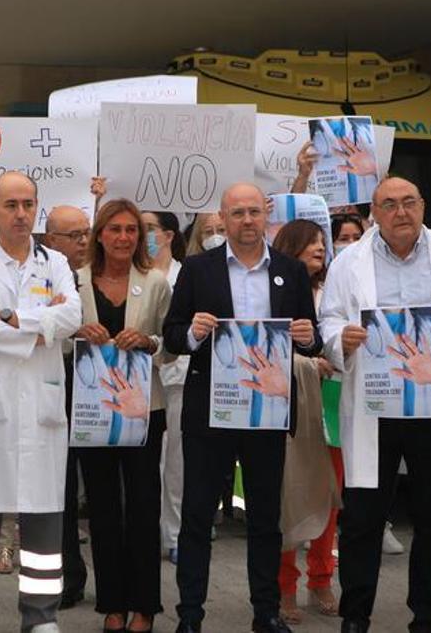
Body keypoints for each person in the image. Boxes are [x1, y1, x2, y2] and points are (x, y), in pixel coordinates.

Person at [319, 177, 431, 633]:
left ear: (422, 206)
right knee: (362, 517)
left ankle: (427, 616)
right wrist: (340, 338)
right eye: (389, 204)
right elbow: (330, 317)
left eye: (409, 202)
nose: (401, 212)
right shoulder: (348, 262)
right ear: (374, 214)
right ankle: (355, 615)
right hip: (374, 404)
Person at [163, 182, 322, 633]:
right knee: (197, 517)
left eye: (255, 212)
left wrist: (309, 340)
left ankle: (265, 612)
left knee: (265, 519)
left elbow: (312, 339)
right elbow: (172, 334)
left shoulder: (290, 271)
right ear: (224, 217)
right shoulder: (198, 269)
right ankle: (190, 615)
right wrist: (192, 332)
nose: (248, 220)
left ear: (265, 217)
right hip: (211, 413)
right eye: (238, 213)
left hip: (267, 413)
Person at [0, 172, 81, 633]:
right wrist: (39, 328)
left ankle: (40, 617)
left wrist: (10, 317)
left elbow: (73, 316)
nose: (21, 213)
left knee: (44, 515)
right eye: (11, 204)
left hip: (40, 406)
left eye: (28, 204)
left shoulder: (55, 262)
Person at [74, 199, 173, 632]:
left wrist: (149, 341)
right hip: (93, 410)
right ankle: (112, 604)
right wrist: (77, 331)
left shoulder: (155, 283)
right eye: (114, 229)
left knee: (143, 505)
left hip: (142, 409)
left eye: (131, 230)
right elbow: (57, 336)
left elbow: (172, 343)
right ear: (99, 234)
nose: (123, 237)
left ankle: (145, 606)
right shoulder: (75, 281)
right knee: (102, 507)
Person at [270, 219, 340, 624]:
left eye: (323, 241)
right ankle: (284, 586)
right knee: (291, 495)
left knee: (329, 496)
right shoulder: (276, 291)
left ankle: (322, 576)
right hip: (295, 405)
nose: (320, 247)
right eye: (311, 241)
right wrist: (309, 364)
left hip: (336, 404)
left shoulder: (335, 291)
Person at [41, 203, 94, 607]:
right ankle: (64, 575)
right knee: (56, 482)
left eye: (86, 233)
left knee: (95, 481)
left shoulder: (100, 273)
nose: (83, 242)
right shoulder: (39, 272)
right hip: (51, 377)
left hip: (93, 381)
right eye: (73, 236)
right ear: (51, 240)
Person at [143, 211, 190, 564]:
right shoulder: (136, 275)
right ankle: (145, 530)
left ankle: (174, 534)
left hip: (176, 379)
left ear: (169, 234)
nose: (143, 235)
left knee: (175, 461)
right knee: (144, 465)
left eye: (149, 229)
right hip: (136, 380)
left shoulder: (185, 274)